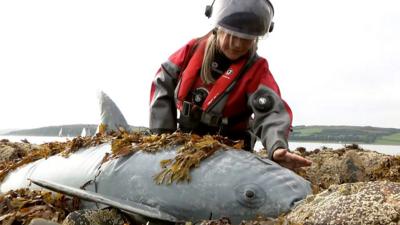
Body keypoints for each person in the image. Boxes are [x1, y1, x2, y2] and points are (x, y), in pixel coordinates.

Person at [149, 0, 311, 169]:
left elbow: (272, 112)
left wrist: (277, 146)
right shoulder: (191, 51)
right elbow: (163, 83)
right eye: (232, 35)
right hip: (185, 142)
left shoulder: (257, 71)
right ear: (217, 29)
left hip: (232, 149)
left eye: (247, 39)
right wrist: (162, 138)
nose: (238, 44)